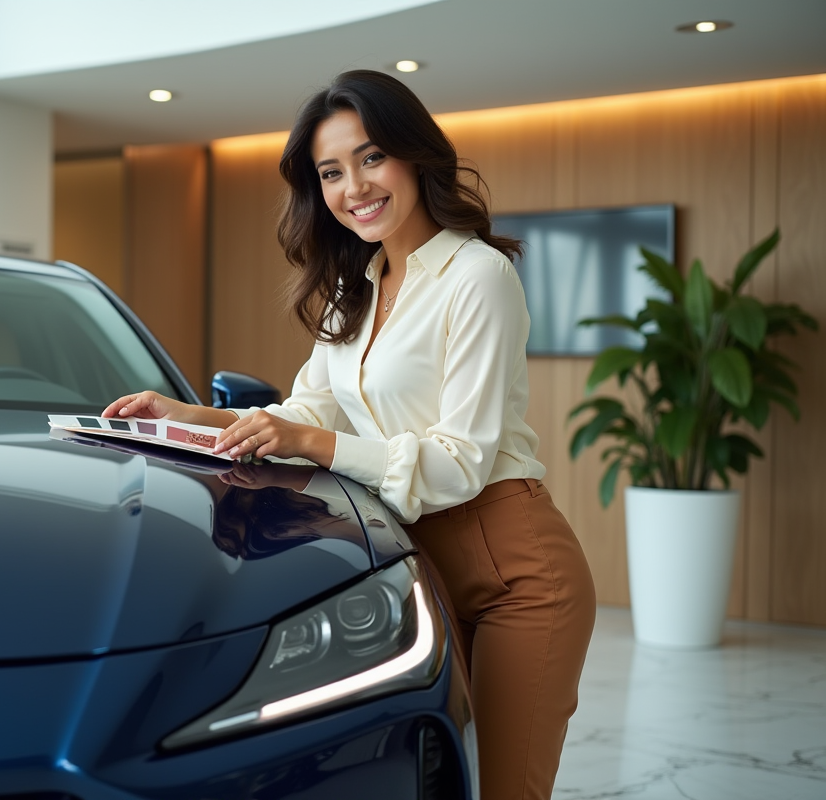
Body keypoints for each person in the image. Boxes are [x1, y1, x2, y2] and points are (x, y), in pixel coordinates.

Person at [102, 69, 597, 800]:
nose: (354, 187)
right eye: (331, 172)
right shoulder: (351, 290)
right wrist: (182, 415)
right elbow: (308, 413)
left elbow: (459, 464)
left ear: (415, 157)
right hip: (413, 559)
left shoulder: (478, 276)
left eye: (371, 158)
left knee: (505, 789)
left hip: (515, 570)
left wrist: (309, 444)